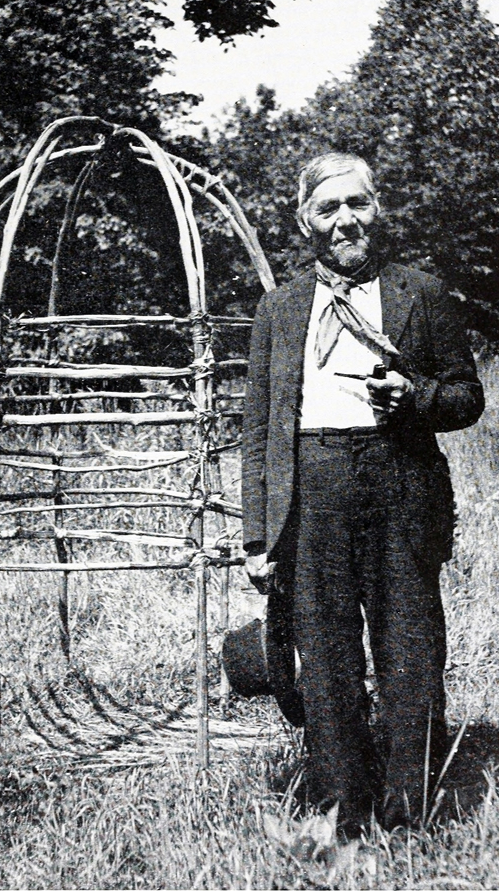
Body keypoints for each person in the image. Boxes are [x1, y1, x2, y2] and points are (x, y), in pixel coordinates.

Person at [242, 152, 484, 836]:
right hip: (312, 490)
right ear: (304, 223)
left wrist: (417, 396)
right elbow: (259, 428)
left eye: (358, 203)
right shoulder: (280, 308)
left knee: (408, 654)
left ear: (378, 208)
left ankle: (409, 816)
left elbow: (468, 397)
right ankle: (344, 812)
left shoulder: (421, 292)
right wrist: (258, 535)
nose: (346, 219)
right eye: (328, 208)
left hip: (400, 482)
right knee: (325, 661)